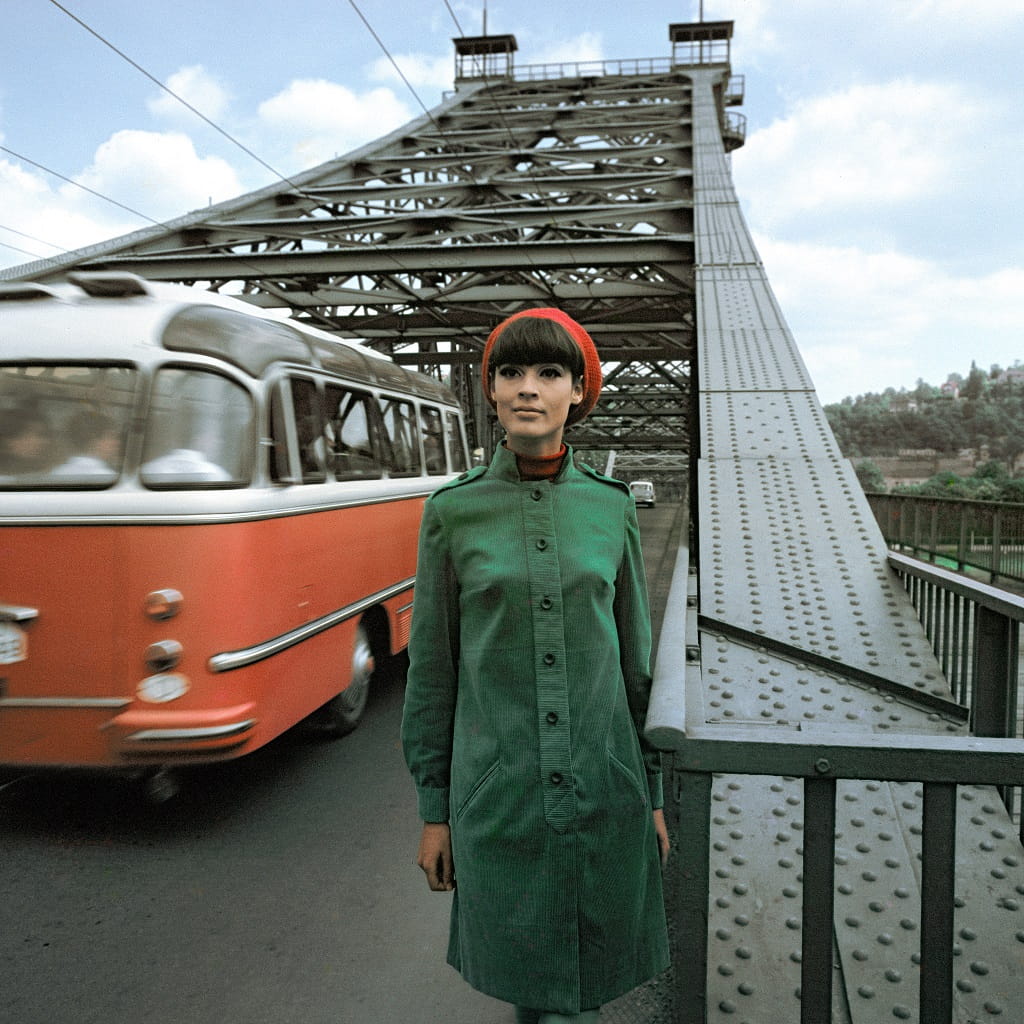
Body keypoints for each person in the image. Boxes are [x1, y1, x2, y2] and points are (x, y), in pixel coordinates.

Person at [401, 308, 670, 1023]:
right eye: (511, 372)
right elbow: (432, 672)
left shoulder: (610, 509)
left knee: (579, 989)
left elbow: (636, 662)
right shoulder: (452, 513)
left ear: (578, 392)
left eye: (550, 372)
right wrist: (435, 812)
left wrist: (651, 791)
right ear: (489, 390)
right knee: (533, 989)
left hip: (604, 785)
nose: (528, 387)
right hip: (501, 794)